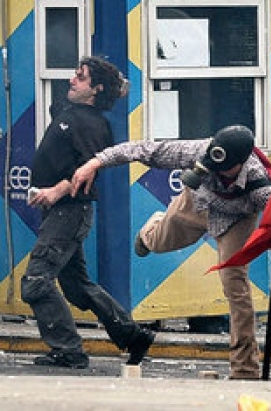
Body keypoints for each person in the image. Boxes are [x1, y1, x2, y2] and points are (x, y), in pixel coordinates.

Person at [71, 124, 271, 379]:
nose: (217, 172)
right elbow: (142, 150)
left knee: (235, 286)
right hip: (196, 203)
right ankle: (150, 231)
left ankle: (244, 369)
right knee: (159, 241)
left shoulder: (257, 181)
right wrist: (95, 163)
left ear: (240, 164)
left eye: (224, 169)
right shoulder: (196, 151)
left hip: (235, 221)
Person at [21, 56, 155, 369]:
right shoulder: (71, 112)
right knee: (77, 285)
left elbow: (87, 171)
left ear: (94, 89)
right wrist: (112, 85)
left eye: (80, 77)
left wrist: (56, 190)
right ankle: (132, 336)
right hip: (62, 213)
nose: (71, 80)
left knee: (36, 281)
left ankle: (69, 350)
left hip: (68, 212)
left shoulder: (93, 124)